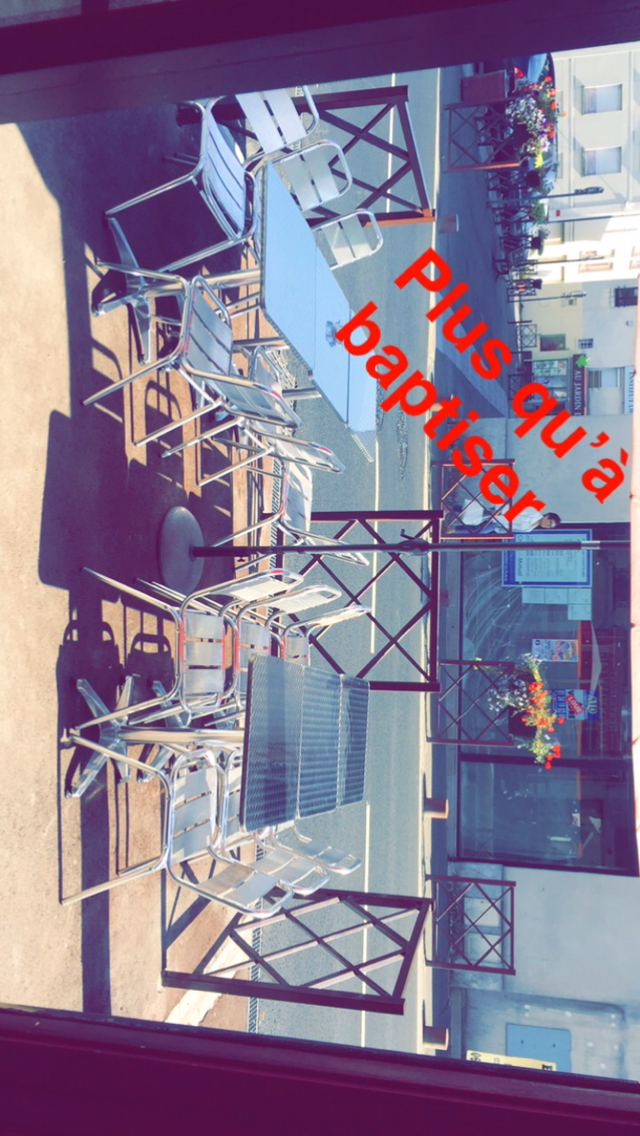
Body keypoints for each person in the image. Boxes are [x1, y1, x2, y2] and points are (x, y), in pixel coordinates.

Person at [454, 495, 561, 534]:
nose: (547, 525)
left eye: (550, 526)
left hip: (499, 523)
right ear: (547, 516)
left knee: (479, 523)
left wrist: (501, 530)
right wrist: (500, 512)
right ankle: (451, 515)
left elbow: (512, 529)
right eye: (549, 522)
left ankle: (453, 525)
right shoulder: (533, 512)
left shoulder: (529, 529)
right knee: (477, 515)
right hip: (500, 515)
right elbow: (517, 508)